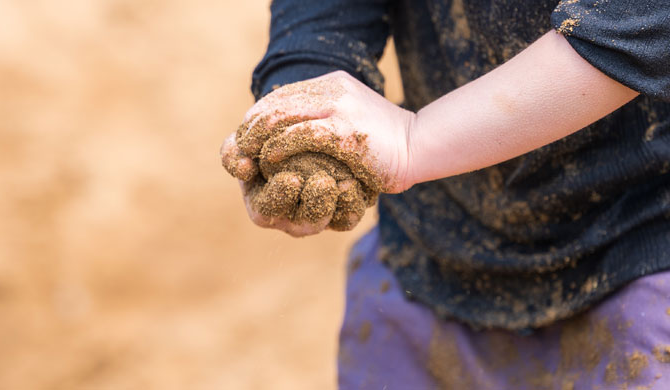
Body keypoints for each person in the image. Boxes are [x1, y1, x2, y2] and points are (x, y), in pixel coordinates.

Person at [221, 0, 670, 388]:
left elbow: (641, 21)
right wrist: (306, 100)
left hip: (645, 249)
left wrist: (413, 142)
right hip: (429, 254)